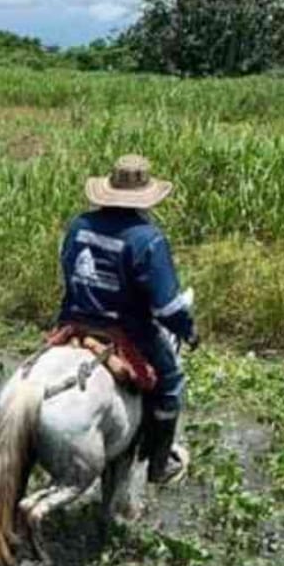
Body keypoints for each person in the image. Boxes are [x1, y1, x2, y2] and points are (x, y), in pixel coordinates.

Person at [56, 154, 199, 485]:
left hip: (74, 323)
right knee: (172, 383)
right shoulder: (147, 239)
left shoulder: (79, 226)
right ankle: (159, 465)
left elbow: (68, 273)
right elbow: (167, 309)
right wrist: (188, 332)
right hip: (126, 330)